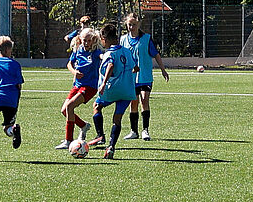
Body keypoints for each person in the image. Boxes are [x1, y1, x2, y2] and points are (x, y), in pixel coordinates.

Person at [120, 12, 170, 139]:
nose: (132, 27)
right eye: (129, 25)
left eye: (134, 25)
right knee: (133, 103)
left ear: (139, 24)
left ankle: (145, 130)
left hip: (145, 76)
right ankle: (133, 131)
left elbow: (156, 54)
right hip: (130, 78)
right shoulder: (123, 40)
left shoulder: (146, 38)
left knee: (144, 100)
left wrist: (163, 70)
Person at [95, 24, 137, 159]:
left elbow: (111, 65)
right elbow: (135, 68)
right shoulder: (127, 51)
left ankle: (100, 136)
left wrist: (103, 84)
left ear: (104, 39)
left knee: (97, 107)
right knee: (117, 119)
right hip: (127, 91)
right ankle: (111, 147)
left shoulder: (110, 53)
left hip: (111, 89)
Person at [59, 29, 100, 150]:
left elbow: (102, 56)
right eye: (84, 41)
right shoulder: (78, 50)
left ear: (93, 40)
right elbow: (69, 64)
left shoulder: (96, 52)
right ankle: (83, 125)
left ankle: (68, 140)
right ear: (80, 40)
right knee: (64, 110)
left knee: (70, 106)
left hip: (90, 87)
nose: (86, 43)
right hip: (77, 85)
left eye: (89, 40)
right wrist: (74, 72)